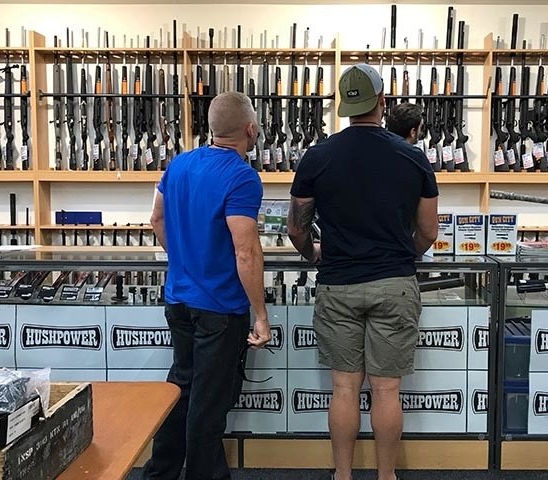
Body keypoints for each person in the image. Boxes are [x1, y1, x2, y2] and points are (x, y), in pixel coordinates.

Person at [287, 64, 440, 480]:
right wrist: (396, 256)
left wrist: (314, 254)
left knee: (344, 389)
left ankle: (342, 475)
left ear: (345, 107)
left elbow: (296, 228)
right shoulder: (412, 157)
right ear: (383, 104)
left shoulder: (318, 156)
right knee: (387, 389)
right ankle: (386, 475)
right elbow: (428, 231)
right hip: (394, 283)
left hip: (338, 285)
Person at [146, 91, 271, 480]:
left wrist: (184, 259)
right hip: (220, 308)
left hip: (179, 301)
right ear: (250, 130)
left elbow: (156, 219)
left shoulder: (179, 165)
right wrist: (262, 316)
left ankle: (160, 473)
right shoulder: (242, 176)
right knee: (208, 405)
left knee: (180, 391)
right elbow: (246, 251)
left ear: (212, 129)